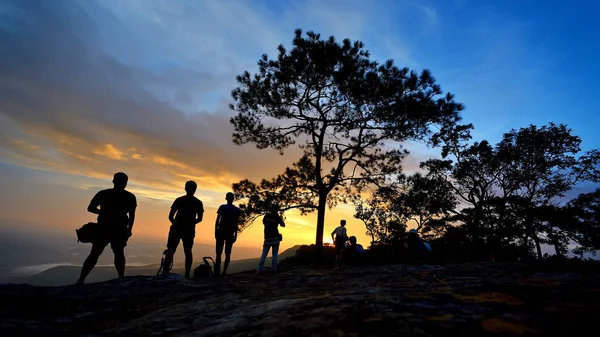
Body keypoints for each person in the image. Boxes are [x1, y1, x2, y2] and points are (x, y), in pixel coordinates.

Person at [76, 172, 137, 284]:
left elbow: (91, 208)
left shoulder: (104, 194)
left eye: (123, 182)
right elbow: (132, 215)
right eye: (122, 182)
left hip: (107, 227)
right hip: (115, 228)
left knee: (97, 253)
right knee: (115, 253)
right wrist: (129, 229)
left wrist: (103, 212)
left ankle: (81, 279)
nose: (123, 184)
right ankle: (120, 278)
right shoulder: (129, 196)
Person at [163, 181, 204, 278]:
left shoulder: (179, 200)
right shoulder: (198, 202)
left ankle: (165, 273)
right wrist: (190, 223)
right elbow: (200, 219)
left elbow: (170, 216)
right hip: (189, 229)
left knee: (170, 250)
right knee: (188, 251)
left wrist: (176, 224)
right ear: (195, 189)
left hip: (176, 228)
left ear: (185, 188)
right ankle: (187, 274)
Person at [214, 192, 242, 277]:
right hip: (230, 233)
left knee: (218, 253)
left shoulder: (222, 207)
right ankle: (224, 272)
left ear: (226, 198)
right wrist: (235, 235)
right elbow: (236, 223)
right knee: (228, 253)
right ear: (233, 199)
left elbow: (217, 220)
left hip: (221, 231)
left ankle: (217, 272)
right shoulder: (237, 210)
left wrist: (215, 231)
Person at [257, 205, 285, 274]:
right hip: (275, 237)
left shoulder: (266, 216)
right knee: (275, 254)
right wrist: (278, 220)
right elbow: (283, 225)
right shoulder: (277, 217)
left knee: (264, 254)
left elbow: (263, 222)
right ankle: (273, 269)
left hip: (267, 237)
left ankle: (259, 269)